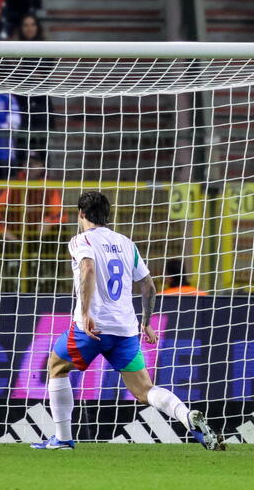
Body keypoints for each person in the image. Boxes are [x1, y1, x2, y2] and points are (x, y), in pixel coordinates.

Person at [30, 192, 222, 451]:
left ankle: (63, 438)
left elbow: (87, 268)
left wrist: (85, 313)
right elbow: (149, 286)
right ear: (108, 215)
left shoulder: (80, 240)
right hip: (125, 330)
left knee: (56, 366)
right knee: (144, 390)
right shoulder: (126, 243)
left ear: (82, 214)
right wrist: (146, 322)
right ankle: (186, 416)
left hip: (92, 329)